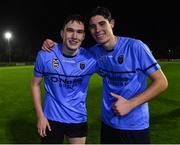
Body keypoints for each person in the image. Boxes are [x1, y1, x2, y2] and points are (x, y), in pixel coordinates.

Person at [41, 7, 168, 144]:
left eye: (102, 24)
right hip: (108, 124)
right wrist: (53, 46)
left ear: (111, 23)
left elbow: (162, 82)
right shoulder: (94, 53)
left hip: (134, 125)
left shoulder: (135, 47)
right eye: (93, 26)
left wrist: (131, 104)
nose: (98, 30)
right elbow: (71, 54)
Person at [31, 14, 97, 144]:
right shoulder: (45, 55)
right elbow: (35, 85)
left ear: (83, 36)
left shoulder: (91, 59)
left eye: (79, 32)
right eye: (70, 30)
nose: (74, 36)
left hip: (77, 118)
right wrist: (40, 116)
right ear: (62, 33)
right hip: (51, 119)